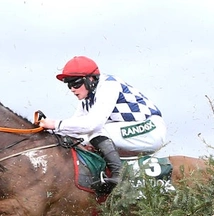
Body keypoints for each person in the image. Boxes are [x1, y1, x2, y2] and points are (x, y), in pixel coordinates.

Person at [39, 55, 167, 193]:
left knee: (96, 132)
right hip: (133, 132)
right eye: (69, 85)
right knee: (85, 138)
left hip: (151, 129)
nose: (72, 89)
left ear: (90, 79)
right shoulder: (87, 99)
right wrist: (47, 131)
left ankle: (119, 175)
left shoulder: (108, 85)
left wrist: (54, 124)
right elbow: (75, 128)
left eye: (75, 83)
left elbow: (93, 124)